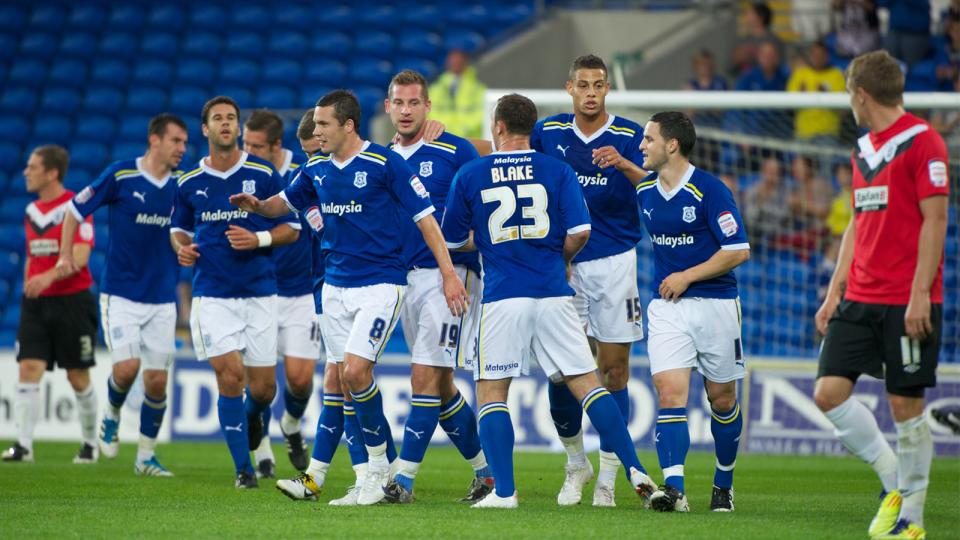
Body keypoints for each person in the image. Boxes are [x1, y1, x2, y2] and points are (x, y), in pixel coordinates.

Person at [229, 89, 468, 506]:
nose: (315, 131)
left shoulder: (384, 163)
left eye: (322, 124)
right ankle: (363, 477)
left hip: (381, 284)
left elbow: (426, 219)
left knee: (357, 373)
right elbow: (281, 204)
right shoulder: (316, 166)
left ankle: (377, 472)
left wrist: (449, 274)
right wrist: (257, 205)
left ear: (348, 126)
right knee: (345, 381)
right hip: (335, 288)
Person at [440, 93, 656, 509]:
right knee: (589, 385)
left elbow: (452, 241)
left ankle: (504, 493)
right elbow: (580, 231)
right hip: (555, 292)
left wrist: (489, 242)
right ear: (530, 127)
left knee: (491, 392)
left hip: (504, 297)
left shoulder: (471, 173)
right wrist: (559, 258)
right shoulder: (556, 169)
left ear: (498, 127)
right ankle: (635, 469)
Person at [813, 50, 949, 540]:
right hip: (861, 297)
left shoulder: (924, 142)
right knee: (828, 394)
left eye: (850, 93)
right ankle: (894, 482)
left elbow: (936, 221)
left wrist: (919, 295)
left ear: (860, 94)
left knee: (904, 408)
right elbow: (856, 221)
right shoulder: (863, 148)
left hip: (906, 300)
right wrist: (834, 293)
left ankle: (912, 518)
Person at [529, 54, 648, 508]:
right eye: (584, 85)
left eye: (599, 84)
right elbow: (514, 156)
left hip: (616, 264)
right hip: (566, 265)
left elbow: (656, 188)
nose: (592, 92)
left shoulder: (630, 136)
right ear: (570, 88)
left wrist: (624, 165)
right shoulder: (551, 133)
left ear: (607, 90)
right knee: (563, 372)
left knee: (615, 371)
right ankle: (575, 464)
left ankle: (609, 480)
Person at [170, 96, 300, 488]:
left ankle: (253, 418)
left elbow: (292, 227)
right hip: (212, 295)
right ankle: (244, 469)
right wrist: (182, 247)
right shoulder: (189, 182)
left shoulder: (262, 173)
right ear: (206, 129)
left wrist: (258, 237)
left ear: (238, 128)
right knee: (230, 378)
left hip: (259, 292)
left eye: (231, 118)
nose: (225, 123)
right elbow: (179, 229)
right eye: (217, 119)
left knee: (263, 388)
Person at [380, 70, 493, 504]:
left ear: (428, 107)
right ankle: (485, 475)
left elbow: (495, 157)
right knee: (440, 385)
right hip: (405, 278)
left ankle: (402, 481)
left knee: (424, 376)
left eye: (414, 103)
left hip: (452, 276)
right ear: (388, 108)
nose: (406, 111)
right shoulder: (384, 158)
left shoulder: (452, 148)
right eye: (399, 103)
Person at [58, 114, 187, 476]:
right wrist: (66, 254)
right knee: (127, 369)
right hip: (122, 295)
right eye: (176, 141)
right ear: (155, 140)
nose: (182, 149)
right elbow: (73, 210)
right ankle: (111, 413)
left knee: (157, 382)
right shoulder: (121, 175)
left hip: (162, 298)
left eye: (185, 143)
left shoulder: (181, 185)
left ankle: (145, 458)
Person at [636, 112, 751, 513]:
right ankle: (674, 488)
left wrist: (686, 275)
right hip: (667, 308)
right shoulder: (645, 190)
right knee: (669, 394)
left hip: (717, 305)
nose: (641, 145)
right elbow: (640, 177)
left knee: (721, 399)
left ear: (672, 145)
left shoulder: (711, 190)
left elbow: (738, 249)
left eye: (648, 139)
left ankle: (723, 484)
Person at [274, 111, 373, 506]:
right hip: (327, 286)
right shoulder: (312, 179)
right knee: (339, 381)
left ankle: (362, 474)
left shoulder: (349, 175)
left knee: (344, 378)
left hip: (360, 285)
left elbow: (329, 228)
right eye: (306, 153)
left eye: (314, 150)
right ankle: (358, 474)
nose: (312, 161)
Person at [2, 145, 99, 464]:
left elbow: (81, 256)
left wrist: (48, 278)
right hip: (37, 304)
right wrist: (33, 283)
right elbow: (34, 255)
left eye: (32, 167)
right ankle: (24, 445)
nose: (26, 172)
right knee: (28, 367)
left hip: (73, 301)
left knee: (77, 376)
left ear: (52, 172)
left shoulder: (76, 207)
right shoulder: (32, 211)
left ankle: (89, 443)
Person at [241, 109, 315, 478]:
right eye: (245, 144)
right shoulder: (241, 176)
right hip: (260, 291)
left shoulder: (303, 173)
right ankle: (261, 443)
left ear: (275, 146)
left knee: (301, 380)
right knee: (262, 385)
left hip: (302, 292)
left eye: (256, 147)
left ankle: (289, 424)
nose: (248, 152)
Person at [787, 42, 848, 142]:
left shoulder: (836, 75)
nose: (817, 58)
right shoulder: (800, 74)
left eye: (820, 55)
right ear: (810, 56)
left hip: (828, 134)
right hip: (803, 133)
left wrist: (827, 96)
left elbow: (842, 111)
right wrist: (800, 96)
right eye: (814, 55)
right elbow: (788, 105)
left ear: (827, 56)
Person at [733, 42, 790, 137]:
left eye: (771, 55)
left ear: (777, 57)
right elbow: (737, 108)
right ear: (759, 56)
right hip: (754, 134)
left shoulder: (784, 78)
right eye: (764, 54)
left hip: (779, 134)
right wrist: (743, 132)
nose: (767, 58)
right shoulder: (748, 77)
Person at [428, 49, 487, 139]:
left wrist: (462, 129)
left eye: (459, 61)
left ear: (466, 63)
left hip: (470, 141)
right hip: (442, 140)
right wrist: (446, 129)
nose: (455, 64)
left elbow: (482, 115)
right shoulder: (435, 90)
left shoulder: (479, 90)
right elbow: (430, 113)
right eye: (452, 61)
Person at [731, 2, 785, 75]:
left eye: (750, 14)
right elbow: (730, 69)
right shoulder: (743, 41)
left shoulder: (774, 41)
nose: (746, 17)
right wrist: (737, 60)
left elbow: (781, 66)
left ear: (760, 17)